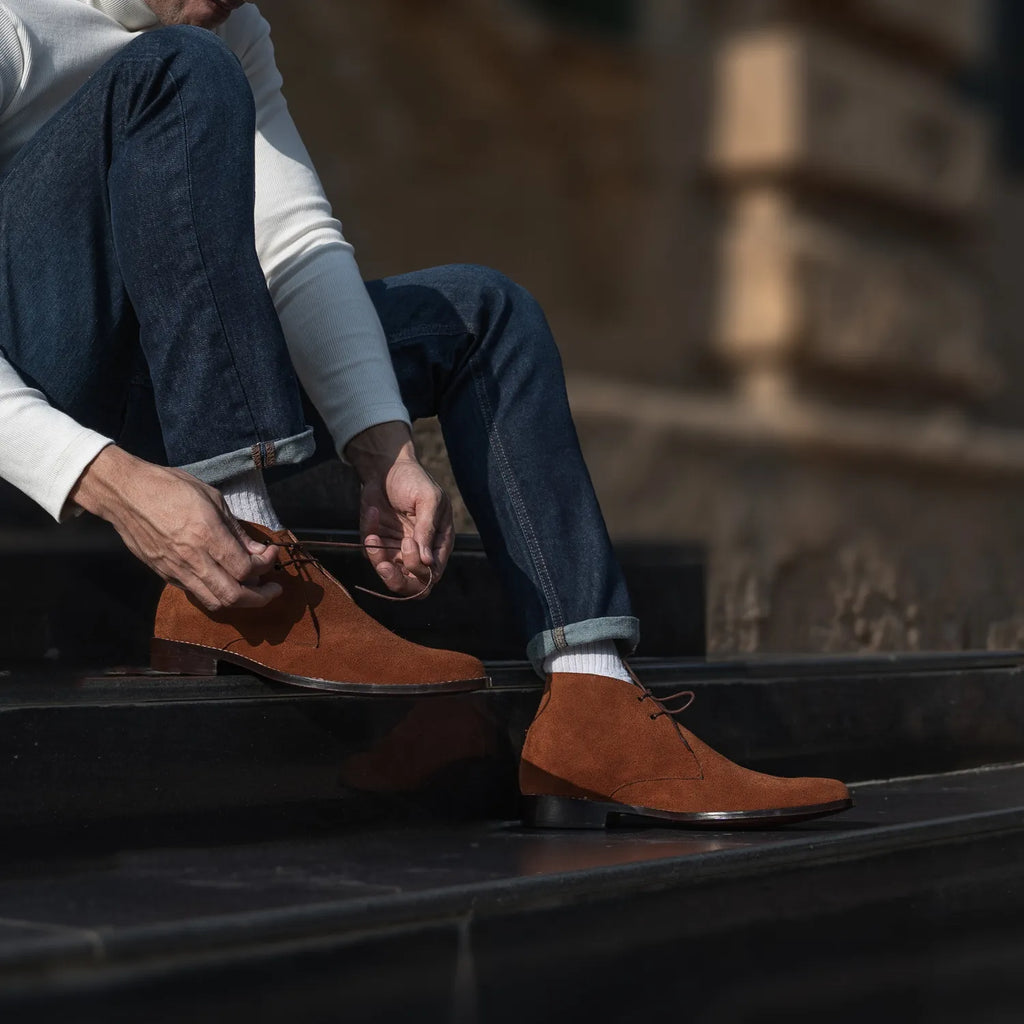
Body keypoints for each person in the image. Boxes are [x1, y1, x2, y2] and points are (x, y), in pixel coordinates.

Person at [0, 0, 851, 827]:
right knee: (175, 69)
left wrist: (380, 442)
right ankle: (250, 568)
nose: (236, 2)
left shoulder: (231, 24)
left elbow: (294, 242)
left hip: (168, 370)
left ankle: (595, 710)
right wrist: (104, 479)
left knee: (483, 314)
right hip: (39, 384)